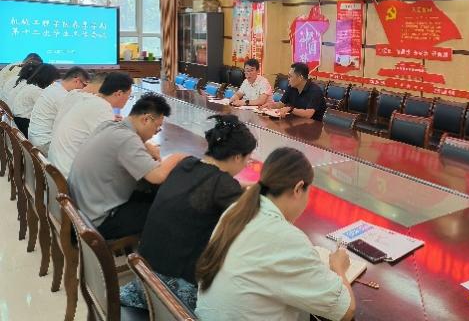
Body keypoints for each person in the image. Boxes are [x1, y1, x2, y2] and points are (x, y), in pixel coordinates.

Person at [194, 147, 356, 321]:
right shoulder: (285, 237)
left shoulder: (235, 211)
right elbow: (346, 311)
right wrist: (338, 267)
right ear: (298, 188)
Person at [120, 114, 257, 310]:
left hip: (144, 274)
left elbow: (210, 184)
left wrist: (243, 185)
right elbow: (251, 223)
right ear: (237, 157)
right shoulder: (224, 186)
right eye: (247, 159)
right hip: (170, 295)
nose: (246, 165)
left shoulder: (186, 164)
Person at [68, 92, 187, 240]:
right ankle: (151, 253)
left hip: (83, 209)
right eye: (157, 128)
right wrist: (179, 156)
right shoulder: (126, 139)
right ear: (146, 119)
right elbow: (157, 176)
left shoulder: (109, 126)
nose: (155, 134)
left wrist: (145, 145)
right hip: (98, 221)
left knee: (153, 196)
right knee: (169, 210)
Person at [48, 71, 133, 177]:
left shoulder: (79, 96)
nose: (128, 99)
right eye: (129, 95)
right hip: (69, 176)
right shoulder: (102, 107)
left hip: (56, 169)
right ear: (119, 93)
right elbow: (114, 149)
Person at [28, 66, 90, 154]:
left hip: (37, 140)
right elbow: (80, 120)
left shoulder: (54, 87)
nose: (84, 89)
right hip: (45, 144)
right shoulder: (61, 95)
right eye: (84, 85)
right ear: (77, 81)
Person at [261, 62, 327, 120]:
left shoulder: (315, 91)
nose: (288, 79)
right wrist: (270, 105)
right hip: (296, 121)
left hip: (313, 125)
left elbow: (308, 114)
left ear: (300, 77)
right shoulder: (291, 87)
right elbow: (280, 104)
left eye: (290, 76)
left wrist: (290, 109)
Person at [11, 64, 60, 137]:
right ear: (48, 78)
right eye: (54, 80)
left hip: (20, 122)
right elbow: (51, 108)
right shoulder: (36, 91)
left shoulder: (31, 86)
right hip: (25, 126)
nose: (53, 83)